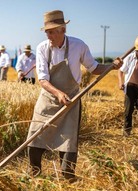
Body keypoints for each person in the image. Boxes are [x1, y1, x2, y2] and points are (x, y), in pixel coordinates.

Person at [27, 10, 123, 180]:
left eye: (51, 32)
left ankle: (68, 177)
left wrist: (112, 66)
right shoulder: (42, 48)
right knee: (35, 137)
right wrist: (58, 93)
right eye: (47, 32)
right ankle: (34, 174)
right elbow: (42, 79)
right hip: (48, 99)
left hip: (71, 101)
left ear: (62, 30)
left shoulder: (79, 46)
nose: (48, 36)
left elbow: (94, 69)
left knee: (68, 141)